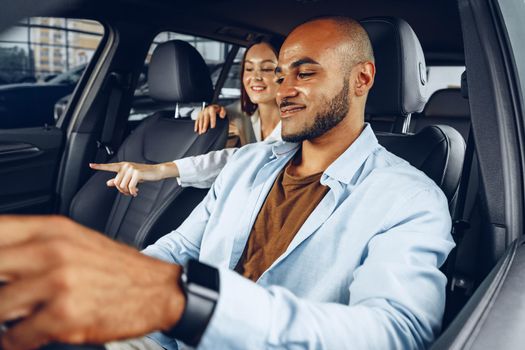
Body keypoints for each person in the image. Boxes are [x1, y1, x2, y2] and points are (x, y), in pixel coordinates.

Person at [0, 17, 454, 350]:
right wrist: (107, 278)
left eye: (306, 72)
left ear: (361, 79)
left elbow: (397, 333)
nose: (282, 89)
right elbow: (180, 248)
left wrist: (192, 304)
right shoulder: (247, 165)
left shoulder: (409, 198)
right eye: (281, 74)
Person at [89, 38, 283, 194]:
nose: (255, 77)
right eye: (249, 68)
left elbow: (241, 159)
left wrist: (161, 170)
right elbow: (191, 116)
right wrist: (207, 110)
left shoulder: (298, 125)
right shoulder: (237, 113)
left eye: (266, 68)